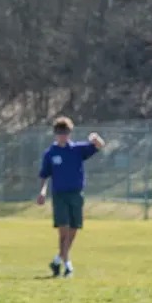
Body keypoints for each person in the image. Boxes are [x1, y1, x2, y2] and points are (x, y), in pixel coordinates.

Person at [36, 116, 104, 278]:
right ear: (55, 134)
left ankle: (57, 260)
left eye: (66, 132)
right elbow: (44, 175)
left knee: (74, 230)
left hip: (76, 194)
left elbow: (100, 146)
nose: (63, 136)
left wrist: (96, 138)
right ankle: (67, 265)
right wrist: (42, 191)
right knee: (63, 230)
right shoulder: (50, 153)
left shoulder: (77, 150)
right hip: (60, 195)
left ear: (70, 133)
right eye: (60, 132)